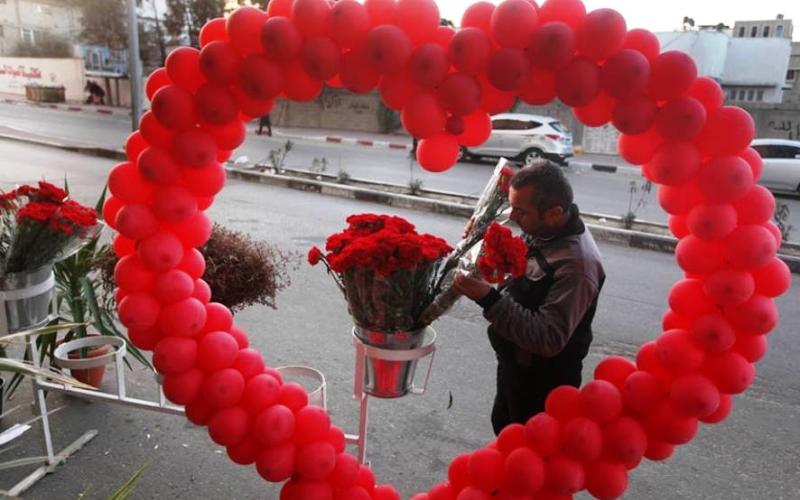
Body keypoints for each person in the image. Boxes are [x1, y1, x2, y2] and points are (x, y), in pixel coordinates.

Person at [453, 160, 606, 436]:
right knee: (504, 430)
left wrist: (488, 299)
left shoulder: (577, 266)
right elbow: (518, 273)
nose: (513, 217)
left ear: (555, 212)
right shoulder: (545, 231)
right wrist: (483, 245)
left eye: (521, 212)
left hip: (543, 385)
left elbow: (548, 337)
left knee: (528, 451)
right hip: (515, 367)